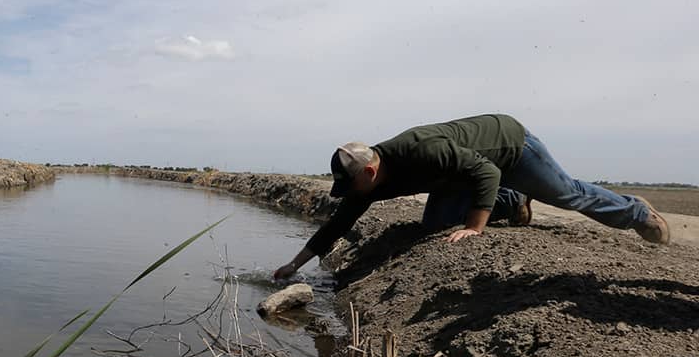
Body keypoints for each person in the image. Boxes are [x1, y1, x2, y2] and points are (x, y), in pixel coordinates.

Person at [273, 113, 670, 279]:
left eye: (352, 184)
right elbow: (340, 221)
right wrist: (295, 264)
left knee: (567, 195)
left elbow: (486, 170)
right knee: (434, 225)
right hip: (464, 175)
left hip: (510, 149)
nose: (350, 193)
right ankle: (511, 201)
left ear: (370, 171)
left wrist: (474, 228)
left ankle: (635, 212)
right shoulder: (369, 182)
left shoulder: (419, 149)